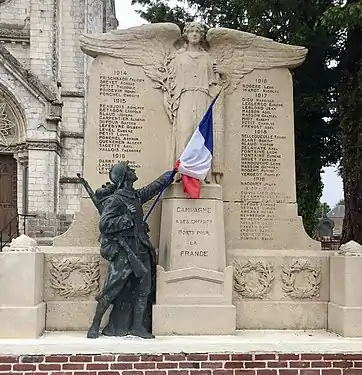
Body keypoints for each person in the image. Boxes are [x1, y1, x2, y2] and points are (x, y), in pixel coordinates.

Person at [87, 162, 174, 339]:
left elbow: (154, 187)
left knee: (144, 290)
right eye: (130, 169)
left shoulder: (134, 195)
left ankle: (137, 327)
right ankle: (95, 325)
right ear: (125, 176)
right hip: (125, 252)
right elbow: (104, 224)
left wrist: (175, 171)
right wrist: (127, 218)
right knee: (111, 289)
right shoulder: (115, 200)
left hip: (141, 249)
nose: (134, 170)